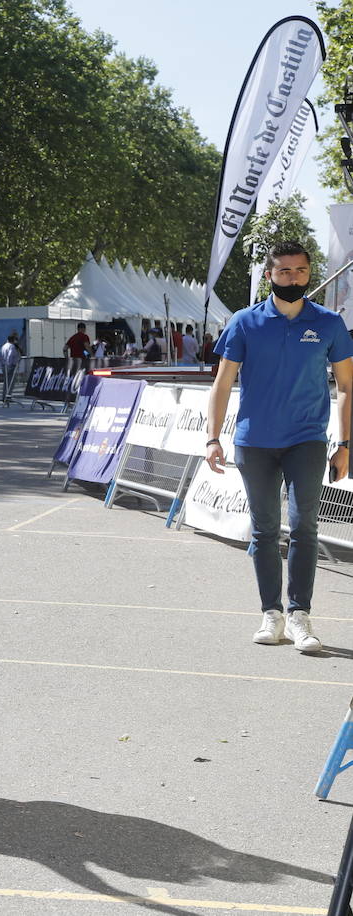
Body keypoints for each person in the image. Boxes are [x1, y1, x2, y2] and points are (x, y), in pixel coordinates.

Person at [205, 241, 353, 654]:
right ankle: (271, 613)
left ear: (309, 273)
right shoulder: (244, 322)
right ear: (269, 275)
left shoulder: (328, 323)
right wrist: (212, 437)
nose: (293, 278)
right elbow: (222, 383)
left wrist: (345, 444)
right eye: (284, 271)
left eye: (301, 271)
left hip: (307, 439)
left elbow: (346, 386)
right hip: (255, 441)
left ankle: (299, 614)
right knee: (265, 529)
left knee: (304, 524)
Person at [0, 332, 22, 402]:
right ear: (13, 340)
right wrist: (10, 365)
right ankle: (8, 396)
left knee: (6, 382)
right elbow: (10, 356)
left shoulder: (4, 346)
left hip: (4, 366)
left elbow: (0, 355)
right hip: (10, 366)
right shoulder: (11, 346)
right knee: (10, 382)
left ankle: (4, 396)